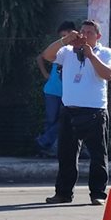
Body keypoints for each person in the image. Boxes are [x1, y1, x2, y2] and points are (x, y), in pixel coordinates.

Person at [39, 19, 111, 206]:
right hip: (70, 110)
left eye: (89, 32)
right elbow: (47, 55)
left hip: (94, 112)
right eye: (82, 31)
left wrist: (91, 56)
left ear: (98, 36)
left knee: (98, 155)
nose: (84, 35)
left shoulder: (105, 52)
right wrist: (65, 40)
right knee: (66, 155)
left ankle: (97, 193)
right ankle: (63, 193)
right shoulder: (66, 52)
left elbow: (108, 74)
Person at [35, 21, 76, 157]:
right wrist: (45, 74)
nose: (64, 39)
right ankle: (46, 149)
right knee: (50, 120)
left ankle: (44, 142)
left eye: (66, 35)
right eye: (61, 36)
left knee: (63, 120)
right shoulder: (59, 49)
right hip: (52, 91)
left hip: (67, 93)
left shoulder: (77, 50)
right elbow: (40, 57)